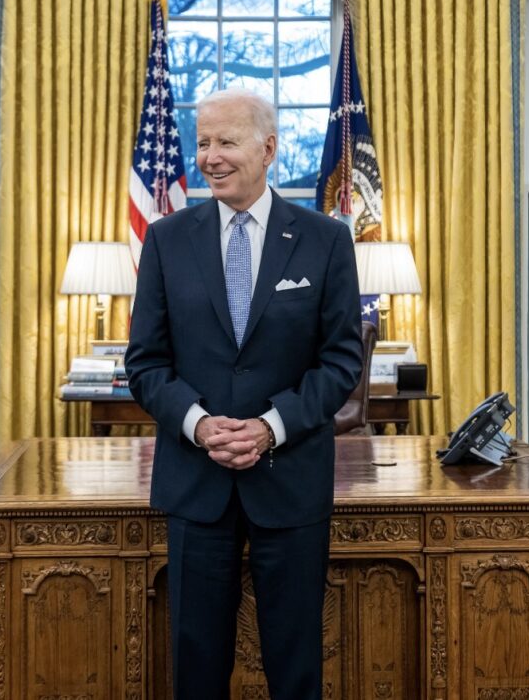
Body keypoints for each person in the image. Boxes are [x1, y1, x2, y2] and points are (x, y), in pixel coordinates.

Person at [126, 87, 363, 700]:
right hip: (196, 483)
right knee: (197, 664)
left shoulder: (325, 239)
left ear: (269, 148)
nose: (210, 156)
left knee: (295, 662)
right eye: (202, 142)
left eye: (226, 142)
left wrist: (269, 428)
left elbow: (340, 361)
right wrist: (203, 426)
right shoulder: (165, 239)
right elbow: (145, 364)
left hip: (290, 479)